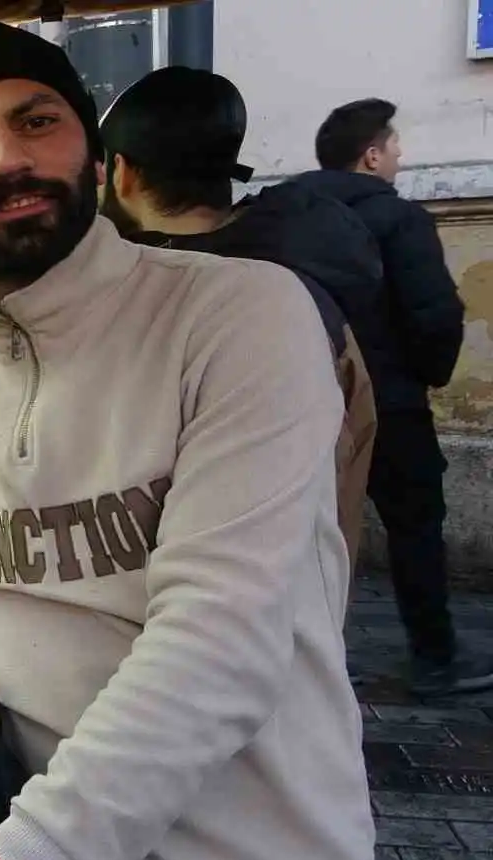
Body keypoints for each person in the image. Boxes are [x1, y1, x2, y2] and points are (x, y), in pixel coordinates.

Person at [0, 22, 371, 860]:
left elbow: (217, 637)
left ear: (98, 162)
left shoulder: (240, 317)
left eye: (37, 122)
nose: (5, 161)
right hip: (46, 859)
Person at [98, 66, 380, 587]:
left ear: (122, 173)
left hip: (175, 631)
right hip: (300, 604)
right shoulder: (308, 282)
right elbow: (354, 447)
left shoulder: (141, 307)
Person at [296, 99, 480, 695]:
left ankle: (303, 659)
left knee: (303, 531)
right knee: (415, 528)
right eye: (395, 146)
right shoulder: (399, 220)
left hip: (301, 398)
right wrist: (424, 375)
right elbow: (433, 311)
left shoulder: (284, 213)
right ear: (371, 155)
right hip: (392, 400)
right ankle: (435, 657)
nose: (401, 156)